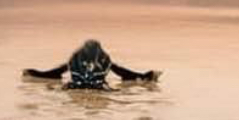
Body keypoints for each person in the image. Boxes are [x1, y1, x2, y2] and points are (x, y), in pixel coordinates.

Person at [22, 39, 160, 89]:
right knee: (126, 75)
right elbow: (121, 71)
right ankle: (145, 77)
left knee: (54, 75)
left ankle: (32, 73)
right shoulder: (103, 58)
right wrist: (141, 76)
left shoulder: (75, 58)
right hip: (99, 86)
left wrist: (37, 74)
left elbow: (55, 72)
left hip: (75, 85)